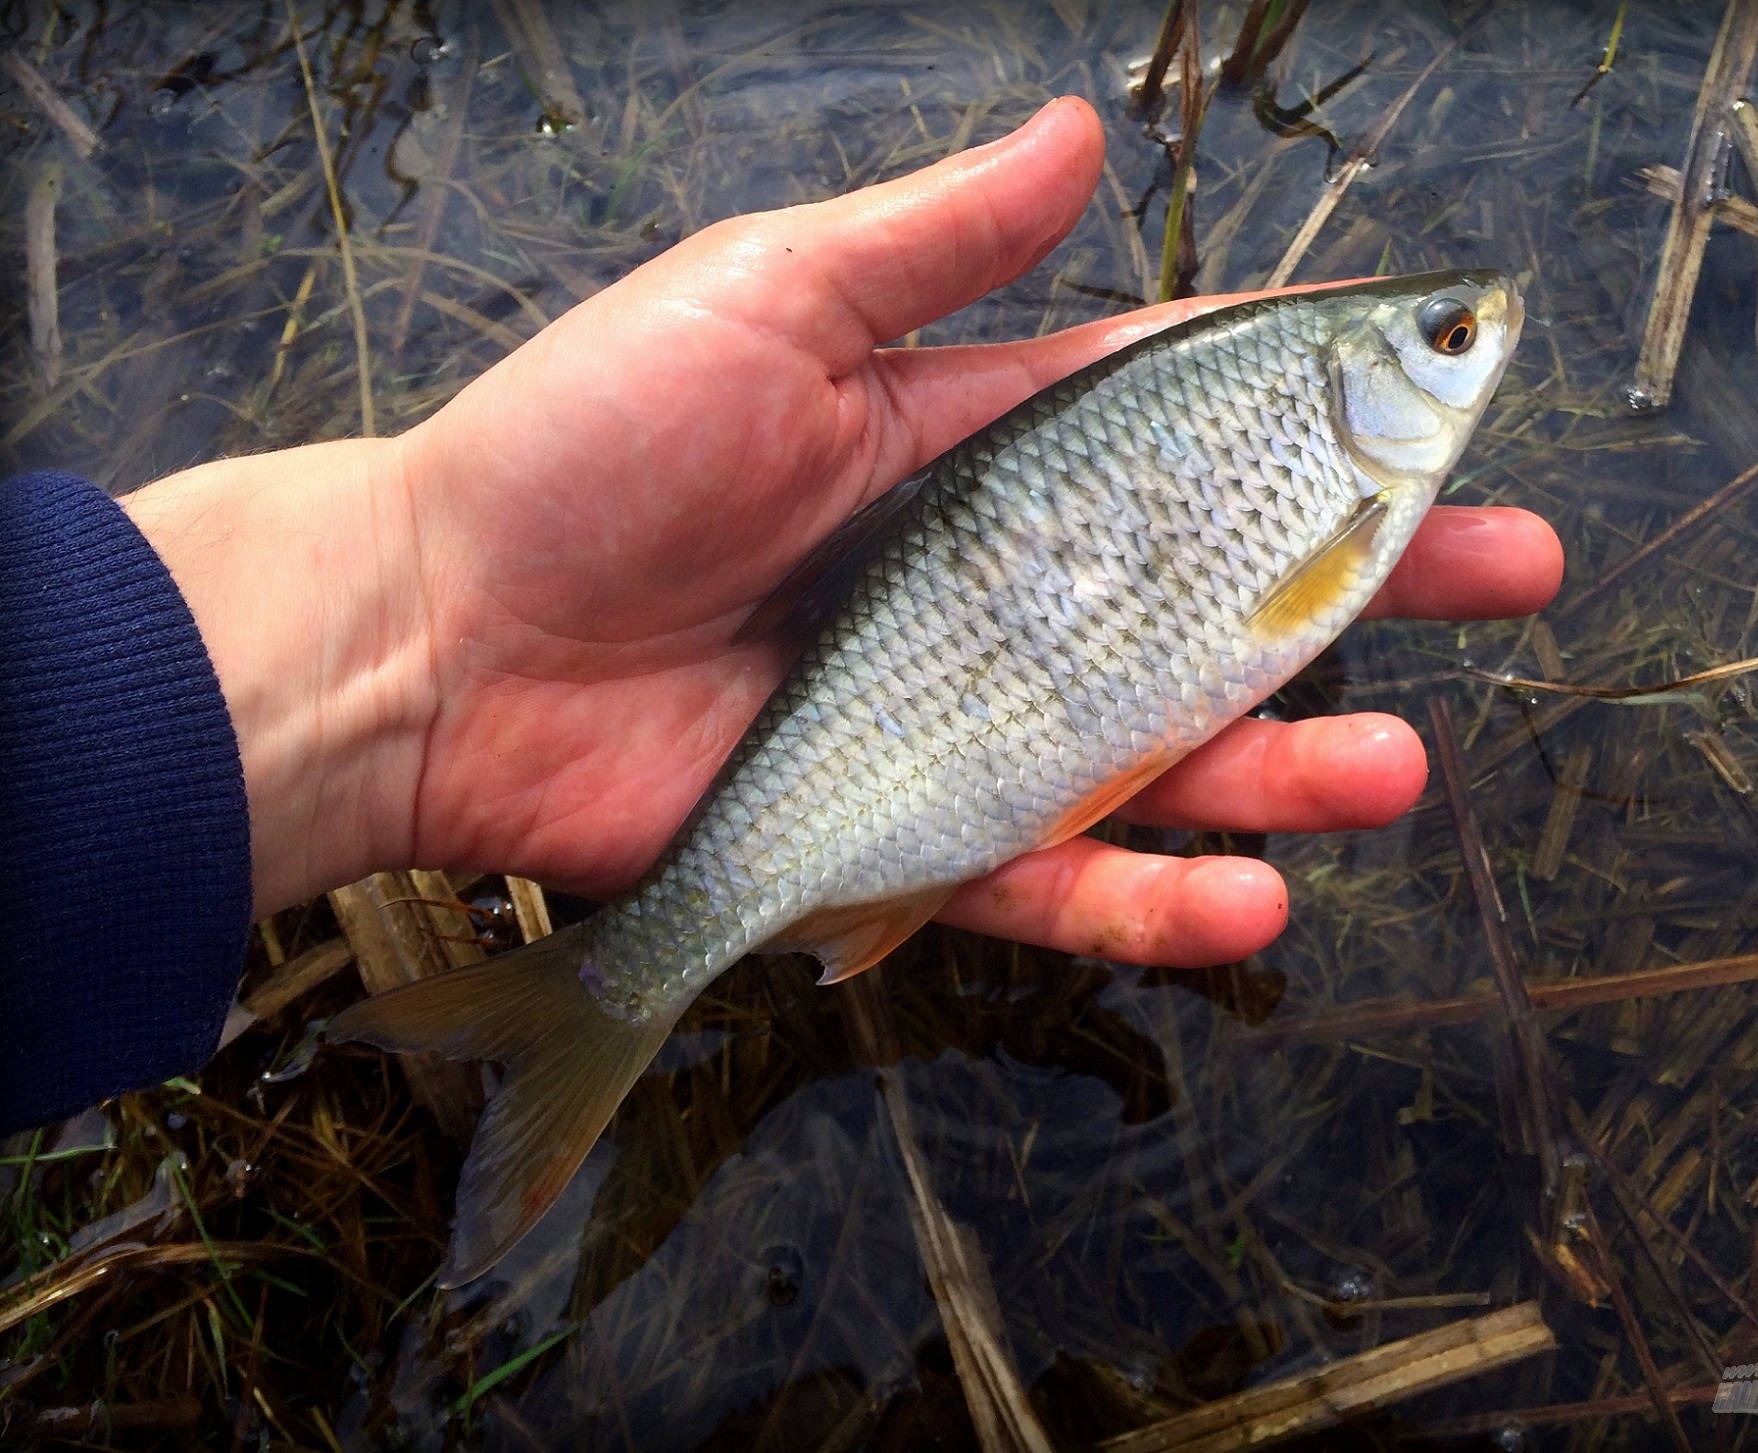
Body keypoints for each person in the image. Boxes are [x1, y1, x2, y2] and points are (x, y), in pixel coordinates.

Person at [0, 96, 1562, 1134]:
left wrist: (410, 603)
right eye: (1447, 333)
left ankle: (599, 992)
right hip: (927, 704)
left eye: (1451, 333)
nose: (1472, 342)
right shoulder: (1338, 463)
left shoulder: (1340, 455)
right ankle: (601, 992)